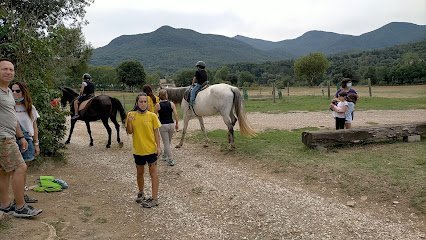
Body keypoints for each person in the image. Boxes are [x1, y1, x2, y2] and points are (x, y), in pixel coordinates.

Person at [0, 58, 42, 218]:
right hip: (3, 137)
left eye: (11, 69)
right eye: (4, 69)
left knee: (3, 171)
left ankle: (4, 205)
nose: (8, 72)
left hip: (11, 135)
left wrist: (22, 137)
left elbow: (13, 118)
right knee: (21, 167)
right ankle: (20, 207)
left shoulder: (9, 92)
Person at [126, 92, 161, 208]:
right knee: (140, 173)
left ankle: (155, 198)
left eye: (145, 101)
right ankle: (141, 193)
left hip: (151, 150)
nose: (143, 103)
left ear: (147, 103)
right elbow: (130, 131)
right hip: (138, 150)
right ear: (137, 103)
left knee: (153, 173)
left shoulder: (152, 116)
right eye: (140, 101)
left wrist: (159, 147)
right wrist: (130, 121)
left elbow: (156, 132)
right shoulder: (131, 114)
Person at [10, 82, 40, 203]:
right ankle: (16, 198)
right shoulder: (8, 107)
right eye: (12, 90)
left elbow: (34, 126)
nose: (14, 93)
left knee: (24, 170)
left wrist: (36, 143)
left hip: (28, 140)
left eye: (18, 91)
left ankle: (22, 195)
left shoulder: (30, 108)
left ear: (24, 92)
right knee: (14, 170)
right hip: (12, 139)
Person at [155, 89, 179, 166]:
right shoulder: (171, 104)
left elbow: (154, 116)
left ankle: (170, 159)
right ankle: (165, 155)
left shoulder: (158, 105)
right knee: (168, 142)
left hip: (163, 125)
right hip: (171, 124)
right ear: (166, 95)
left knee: (166, 143)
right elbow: (176, 114)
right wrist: (177, 123)